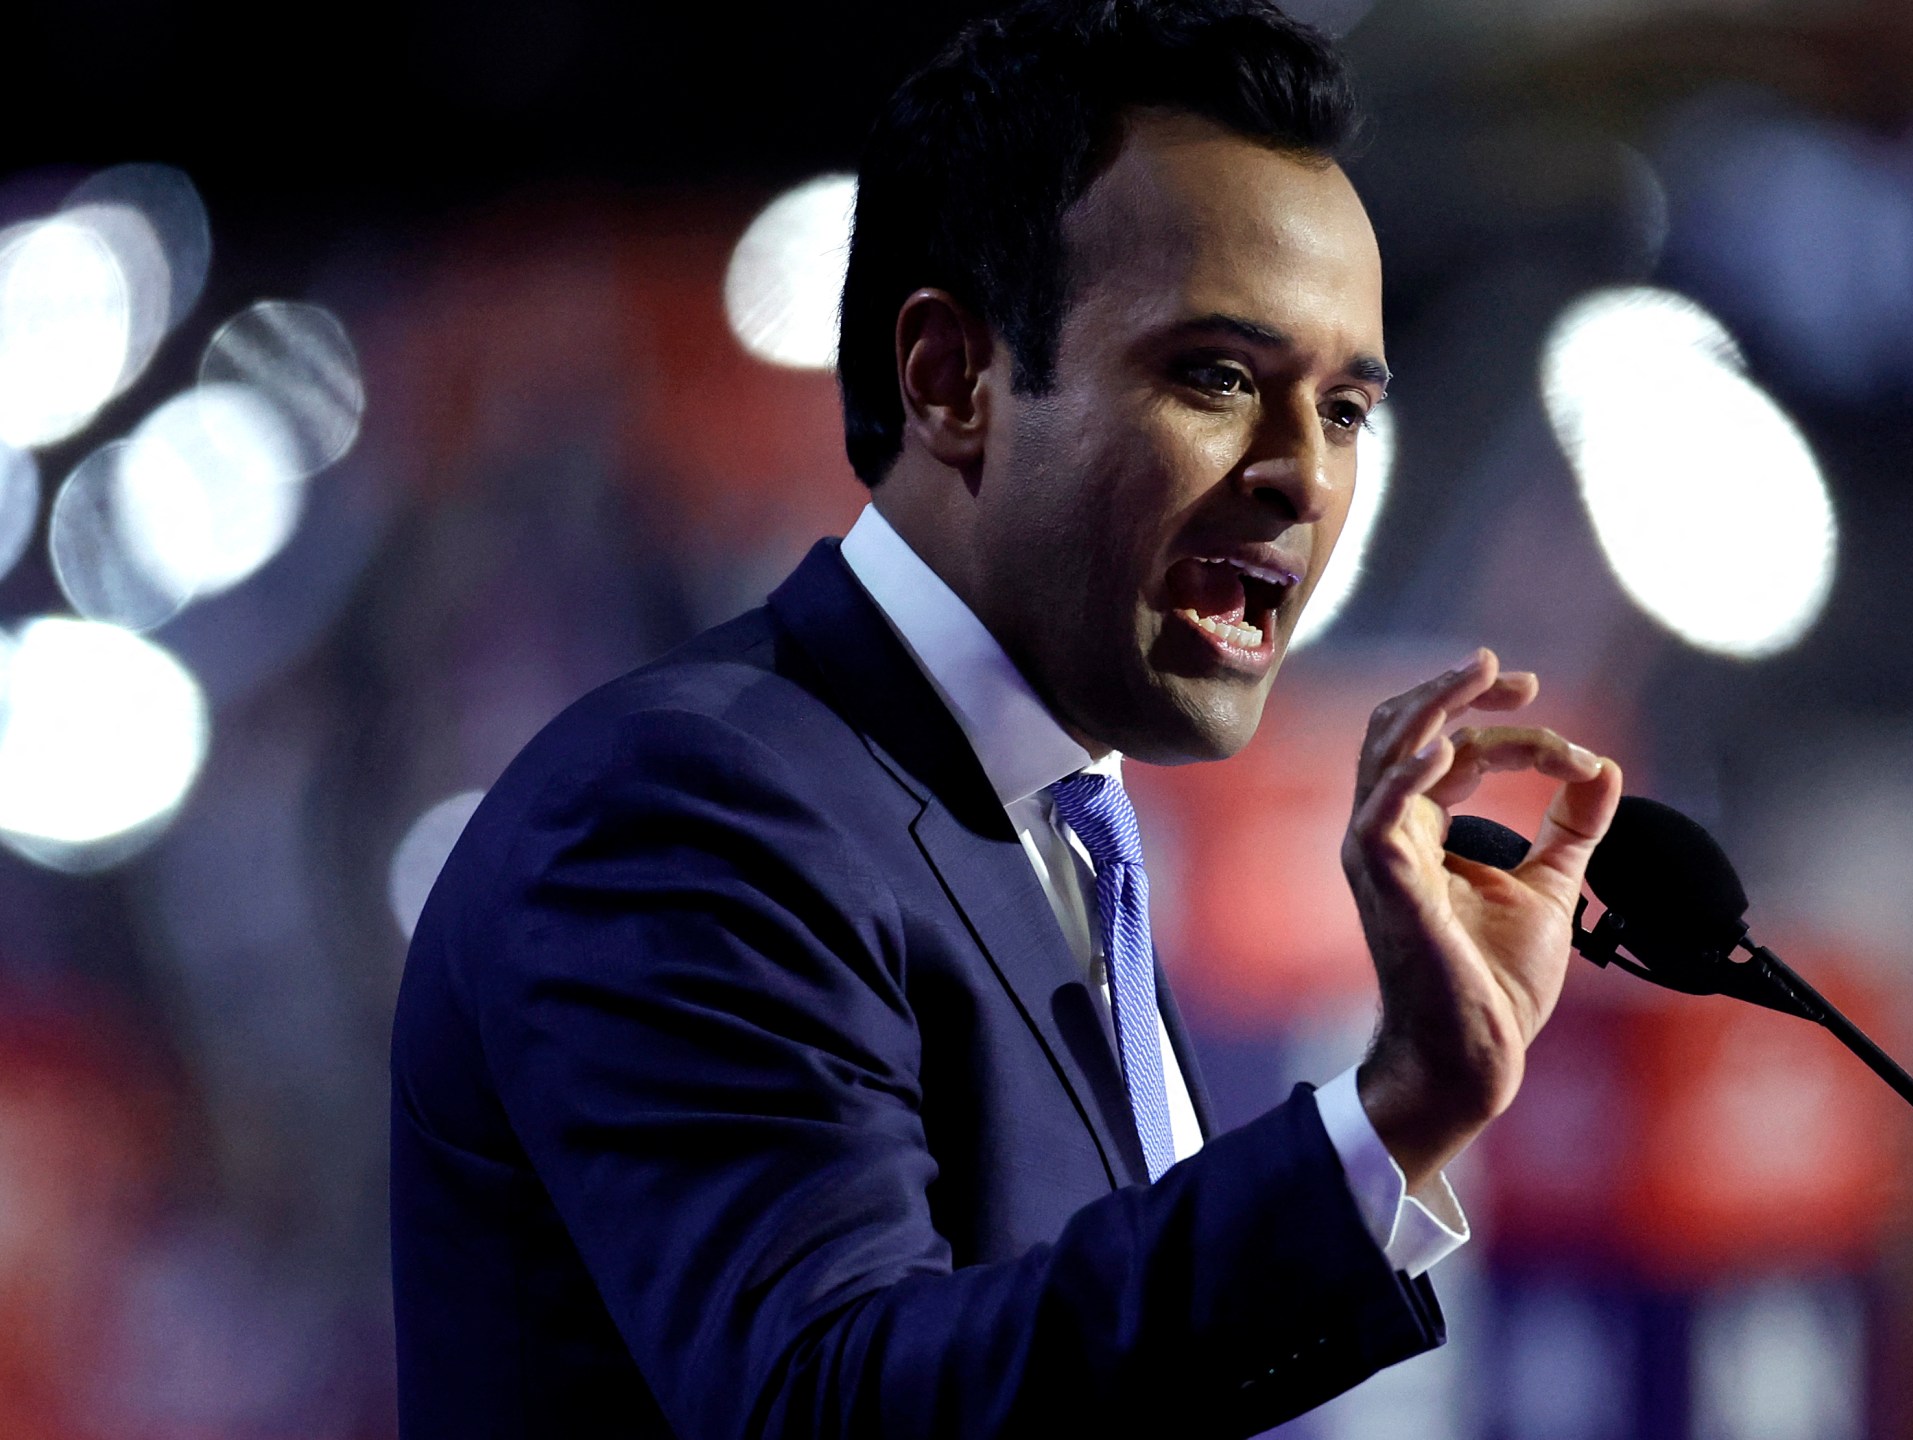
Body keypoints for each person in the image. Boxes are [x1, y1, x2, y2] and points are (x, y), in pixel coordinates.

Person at [388, 2, 1622, 1435]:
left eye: (1344, 409)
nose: (1305, 475)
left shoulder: (1061, 839)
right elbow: (830, 1407)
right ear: (950, 380)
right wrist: (1387, 1115)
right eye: (1217, 376)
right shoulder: (686, 806)